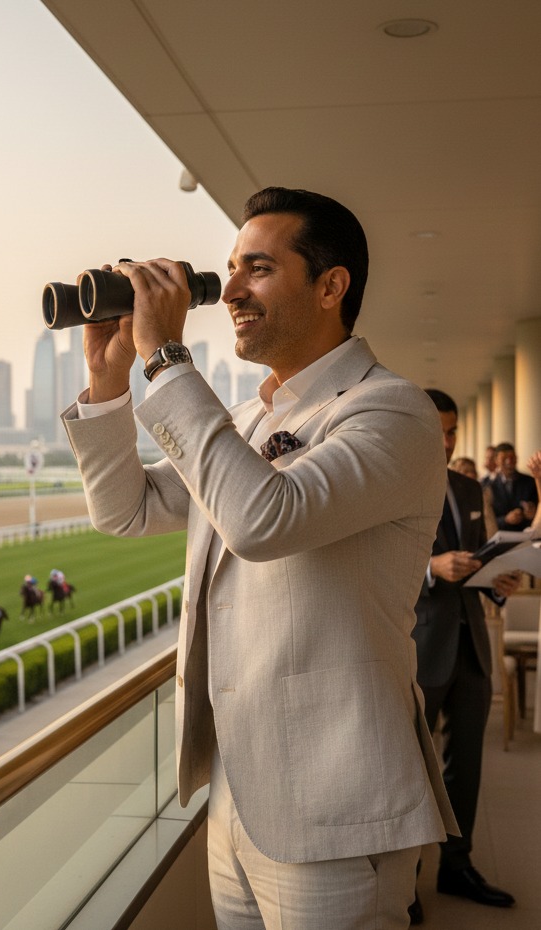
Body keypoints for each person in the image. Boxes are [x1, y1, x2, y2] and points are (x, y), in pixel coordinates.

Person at [61, 186, 457, 928]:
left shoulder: (388, 409)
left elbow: (261, 519)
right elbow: (127, 511)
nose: (231, 292)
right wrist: (110, 379)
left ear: (331, 286)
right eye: (228, 271)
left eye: (258, 270)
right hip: (238, 796)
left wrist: (166, 357)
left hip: (340, 809)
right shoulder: (243, 421)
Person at [409, 390, 519, 923]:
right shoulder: (390, 482)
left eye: (452, 432)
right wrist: (432, 568)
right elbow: (373, 567)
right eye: (438, 430)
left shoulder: (470, 488)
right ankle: (403, 882)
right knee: (410, 770)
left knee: (465, 768)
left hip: (471, 643)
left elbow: (478, 559)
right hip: (417, 647)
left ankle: (457, 865)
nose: (446, 442)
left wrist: (501, 580)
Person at [487, 441, 538, 531]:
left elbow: (538, 507)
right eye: (504, 458)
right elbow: (485, 520)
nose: (509, 461)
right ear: (496, 461)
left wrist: (533, 512)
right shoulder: (488, 486)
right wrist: (505, 520)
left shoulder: (530, 482)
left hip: (526, 536)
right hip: (501, 537)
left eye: (512, 457)